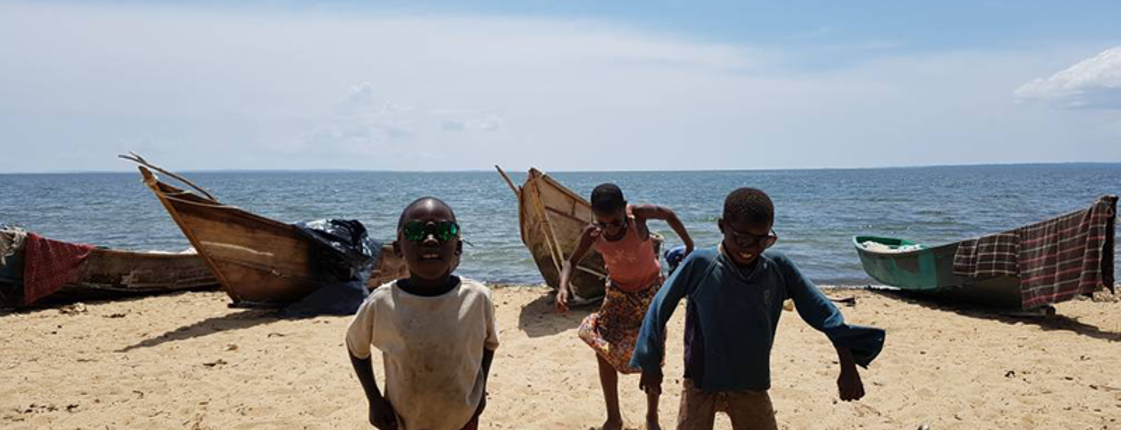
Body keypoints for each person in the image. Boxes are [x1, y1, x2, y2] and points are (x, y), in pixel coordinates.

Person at [631, 187, 886, 430]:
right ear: (722, 226)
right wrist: (650, 361)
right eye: (740, 237)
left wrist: (848, 364)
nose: (749, 248)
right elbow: (659, 307)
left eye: (762, 240)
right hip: (701, 381)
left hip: (751, 382)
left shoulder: (777, 268)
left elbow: (822, 311)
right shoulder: (700, 265)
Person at [346, 197, 498, 430]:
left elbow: (488, 344)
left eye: (444, 231)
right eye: (415, 231)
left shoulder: (478, 298)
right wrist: (374, 400)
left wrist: (480, 391)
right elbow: (356, 346)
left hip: (463, 418)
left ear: (457, 246)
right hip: (405, 420)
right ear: (398, 248)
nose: (430, 240)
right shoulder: (382, 303)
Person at [557, 183, 694, 430]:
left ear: (624, 210)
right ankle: (614, 417)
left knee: (652, 357)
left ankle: (652, 417)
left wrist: (689, 245)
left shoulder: (638, 217)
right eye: (602, 223)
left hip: (650, 294)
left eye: (616, 222)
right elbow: (571, 261)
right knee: (603, 350)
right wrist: (563, 287)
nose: (609, 229)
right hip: (618, 295)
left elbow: (669, 215)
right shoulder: (593, 234)